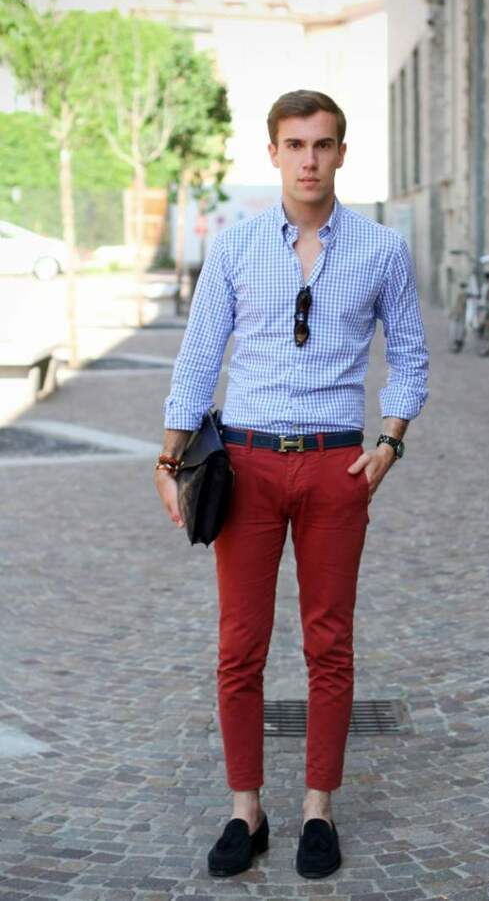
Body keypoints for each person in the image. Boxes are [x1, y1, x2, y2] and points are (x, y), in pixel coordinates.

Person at [155, 89, 429, 880]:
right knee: (239, 645)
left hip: (336, 467)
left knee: (328, 643)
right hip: (245, 466)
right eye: (296, 144)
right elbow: (199, 355)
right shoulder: (236, 248)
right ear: (273, 153)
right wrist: (170, 458)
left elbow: (410, 354)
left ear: (342, 153)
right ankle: (246, 810)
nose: (310, 159)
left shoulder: (382, 249)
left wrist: (390, 443)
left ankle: (318, 809)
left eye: (323, 144)